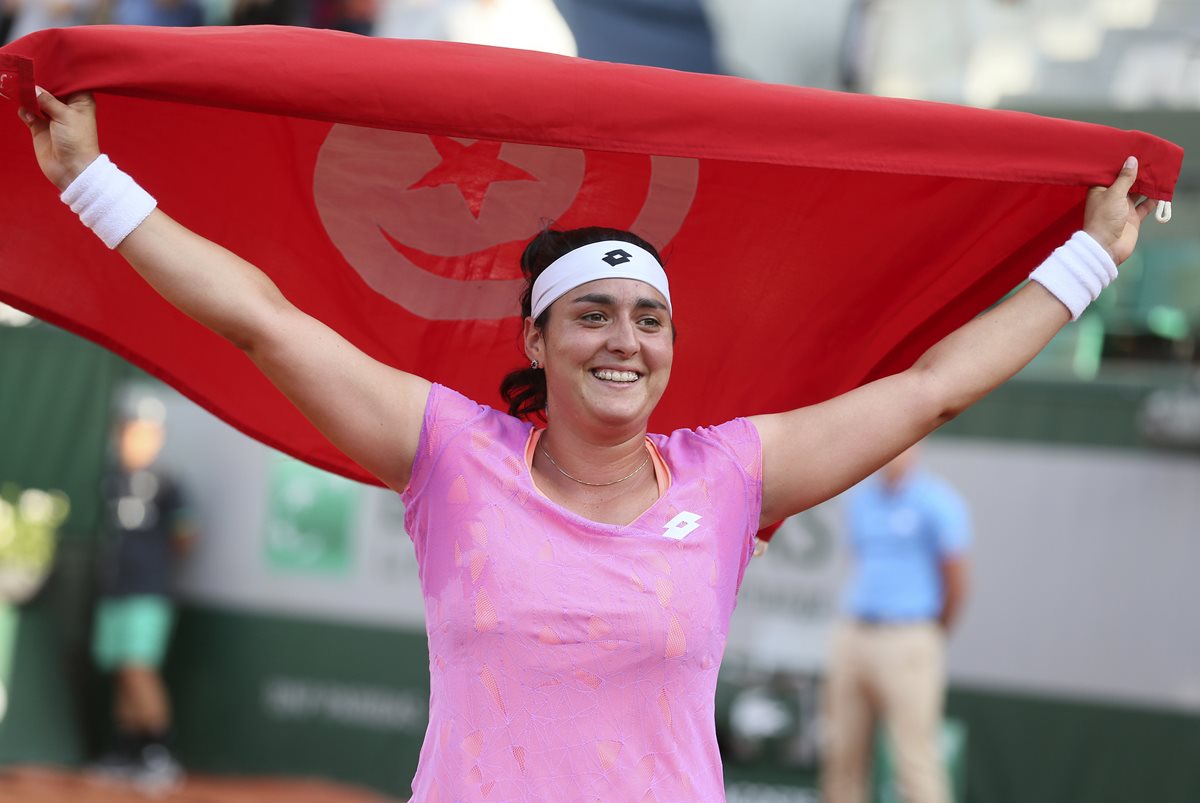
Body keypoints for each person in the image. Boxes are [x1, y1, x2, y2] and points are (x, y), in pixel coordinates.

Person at [16, 89, 1152, 800]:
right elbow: (261, 320)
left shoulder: (734, 469)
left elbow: (931, 389)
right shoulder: (449, 454)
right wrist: (91, 183)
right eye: (595, 315)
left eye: (648, 316)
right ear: (539, 340)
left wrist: (1091, 260)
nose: (626, 339)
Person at [822, 443, 969, 803]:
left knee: (915, 760)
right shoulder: (860, 502)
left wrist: (930, 633)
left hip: (909, 638)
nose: (891, 454)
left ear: (915, 448)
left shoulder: (939, 502)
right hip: (855, 635)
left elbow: (957, 581)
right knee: (842, 756)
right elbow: (859, 562)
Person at [91, 401, 195, 791]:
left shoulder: (168, 482)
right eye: (126, 430)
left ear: (157, 438)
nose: (131, 439)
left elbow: (186, 535)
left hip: (148, 590)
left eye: (142, 432)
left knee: (138, 668)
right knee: (122, 669)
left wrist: (154, 565)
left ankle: (157, 755)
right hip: (114, 589)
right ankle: (125, 752)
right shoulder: (111, 480)